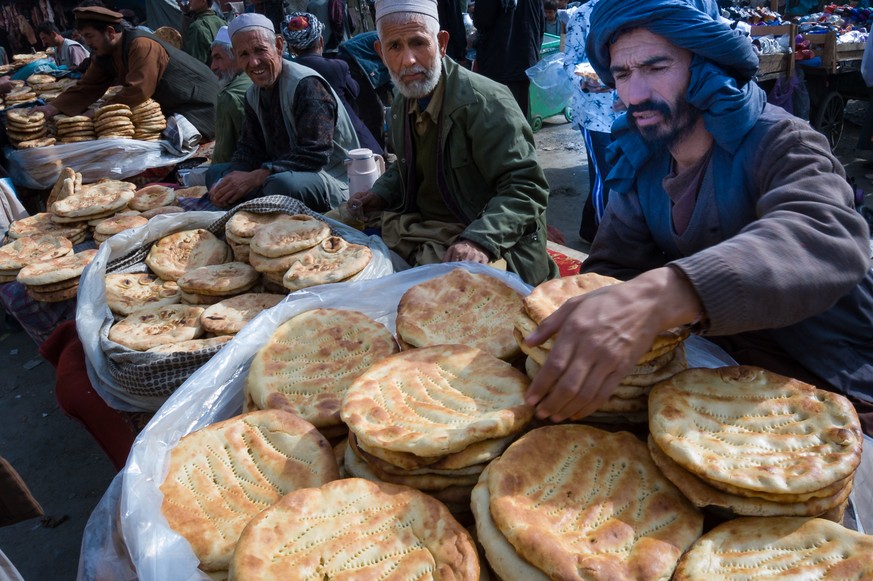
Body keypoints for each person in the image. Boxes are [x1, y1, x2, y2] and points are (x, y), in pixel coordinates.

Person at [525, 0, 873, 436]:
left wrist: (668, 292)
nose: (633, 95)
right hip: (716, 385)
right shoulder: (642, 158)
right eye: (623, 74)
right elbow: (612, 271)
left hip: (834, 378)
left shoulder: (781, 141)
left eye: (656, 67)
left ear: (704, 67)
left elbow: (826, 235)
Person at [347, 0, 557, 286]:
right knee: (341, 231)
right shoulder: (402, 102)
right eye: (394, 47)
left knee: (427, 294)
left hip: (483, 234)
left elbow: (526, 187)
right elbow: (410, 165)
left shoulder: (485, 102)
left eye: (418, 43)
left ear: (442, 43)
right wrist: (380, 193)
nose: (408, 60)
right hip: (426, 227)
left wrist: (480, 240)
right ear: (380, 53)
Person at [206, 13, 359, 211]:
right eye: (244, 54)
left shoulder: (306, 85)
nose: (254, 63)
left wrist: (255, 177)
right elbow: (249, 148)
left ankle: (257, 201)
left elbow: (316, 154)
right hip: (279, 171)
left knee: (281, 186)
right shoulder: (253, 93)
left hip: (328, 176)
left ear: (278, 46)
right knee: (215, 176)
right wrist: (233, 179)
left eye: (260, 50)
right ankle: (255, 200)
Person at [34, 5, 220, 141]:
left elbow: (138, 90)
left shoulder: (141, 44)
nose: (87, 43)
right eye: (84, 37)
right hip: (175, 106)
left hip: (198, 105)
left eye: (90, 36)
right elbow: (87, 87)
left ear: (110, 32)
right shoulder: (104, 54)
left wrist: (98, 113)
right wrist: (52, 108)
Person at [282, 12, 383, 154]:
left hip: (308, 144)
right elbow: (354, 91)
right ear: (321, 41)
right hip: (351, 140)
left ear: (292, 48)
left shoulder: (287, 72)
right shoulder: (337, 66)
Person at [562, 0, 621, 243]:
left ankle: (589, 228)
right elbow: (569, 62)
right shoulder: (583, 14)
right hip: (595, 115)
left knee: (619, 175)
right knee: (604, 178)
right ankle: (605, 239)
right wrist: (585, 82)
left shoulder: (632, 10)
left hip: (629, 110)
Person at [472, 0, 544, 118]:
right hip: (526, 60)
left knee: (496, 118)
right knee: (519, 114)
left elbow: (482, 20)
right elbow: (541, 23)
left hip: (497, 62)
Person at [209, 26, 252, 164]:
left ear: (237, 56)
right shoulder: (256, 78)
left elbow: (222, 157)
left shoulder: (229, 96)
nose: (213, 66)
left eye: (218, 58)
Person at [182, 0, 227, 65]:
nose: (190, 1)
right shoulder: (223, 23)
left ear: (203, 1)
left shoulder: (197, 27)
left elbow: (195, 63)